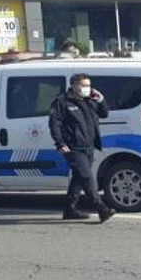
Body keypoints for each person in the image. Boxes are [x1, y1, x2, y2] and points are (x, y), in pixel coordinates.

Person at [48, 73, 115, 223]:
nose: (87, 88)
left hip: (89, 146)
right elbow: (55, 124)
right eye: (83, 85)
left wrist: (101, 100)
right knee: (86, 177)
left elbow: (104, 113)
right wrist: (60, 143)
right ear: (73, 85)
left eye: (88, 85)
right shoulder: (62, 102)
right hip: (73, 148)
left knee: (78, 178)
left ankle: (69, 209)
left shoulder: (89, 100)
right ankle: (101, 208)